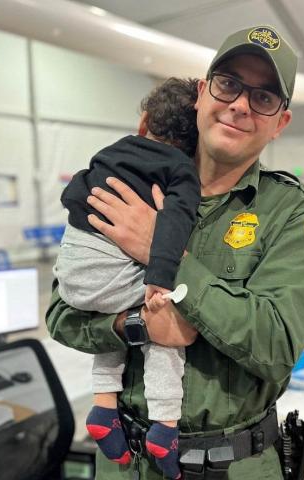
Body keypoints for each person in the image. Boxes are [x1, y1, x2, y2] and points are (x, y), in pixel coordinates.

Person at [47, 25, 304, 480]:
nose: (239, 104)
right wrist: (135, 325)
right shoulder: (132, 186)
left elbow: (277, 345)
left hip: (232, 465)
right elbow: (61, 314)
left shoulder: (291, 215)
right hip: (125, 460)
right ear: (202, 92)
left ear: (281, 123)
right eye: (229, 84)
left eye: (263, 98)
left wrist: (165, 256)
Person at [53, 78, 201, 478]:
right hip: (108, 277)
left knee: (118, 313)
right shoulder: (183, 170)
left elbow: (73, 193)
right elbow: (172, 224)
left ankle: (104, 403)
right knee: (161, 323)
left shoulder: (109, 152)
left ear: (144, 122)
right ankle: (166, 426)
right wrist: (160, 278)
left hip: (70, 277)